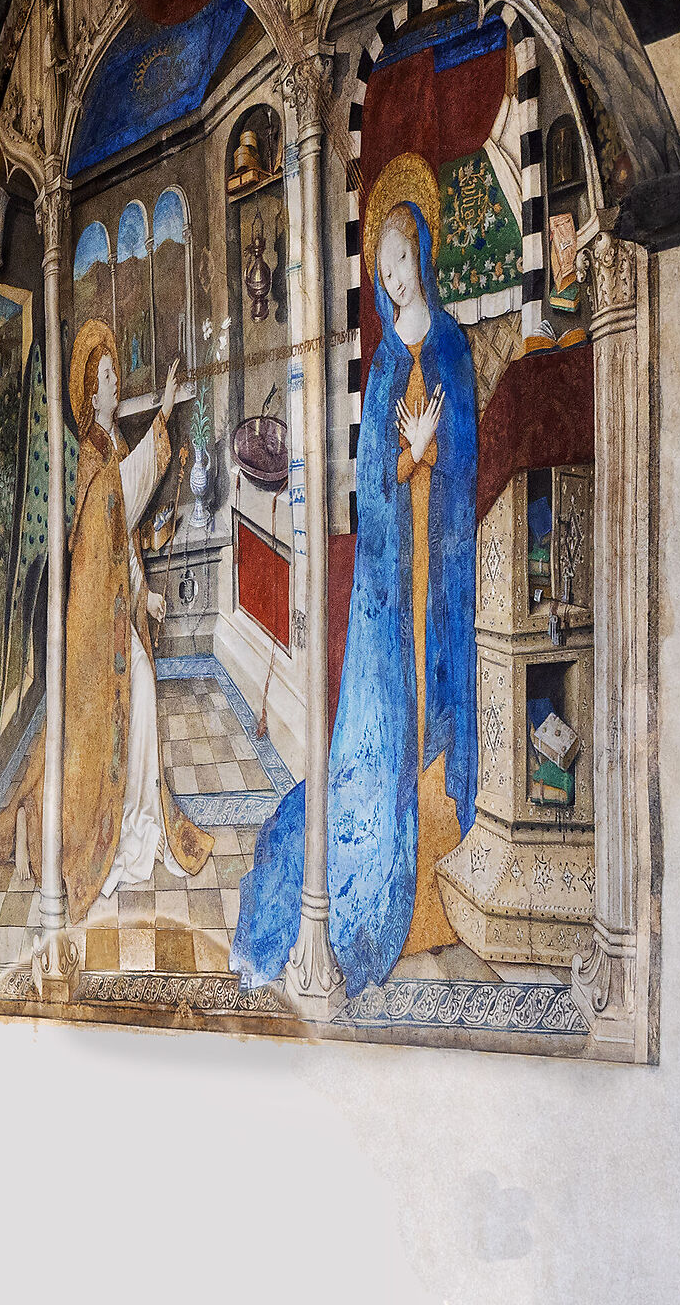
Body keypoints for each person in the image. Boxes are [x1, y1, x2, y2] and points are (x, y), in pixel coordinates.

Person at [235, 156, 477, 993]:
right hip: (387, 573)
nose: (396, 275)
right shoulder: (380, 370)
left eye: (404, 258)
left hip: (434, 574)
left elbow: (469, 461)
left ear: (425, 259)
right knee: (387, 722)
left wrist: (435, 456)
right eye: (384, 266)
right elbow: (369, 477)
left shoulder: (451, 347)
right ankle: (388, 890)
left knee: (429, 711)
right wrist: (408, 456)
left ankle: (429, 886)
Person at [0, 320, 210, 924]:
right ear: (90, 392)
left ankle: (137, 812)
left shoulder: (107, 448)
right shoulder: (92, 455)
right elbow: (111, 518)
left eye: (113, 373)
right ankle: (118, 820)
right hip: (92, 624)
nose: (114, 382)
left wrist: (142, 594)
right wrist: (161, 417)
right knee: (131, 690)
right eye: (106, 375)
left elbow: (122, 538)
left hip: (115, 609)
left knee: (140, 693)